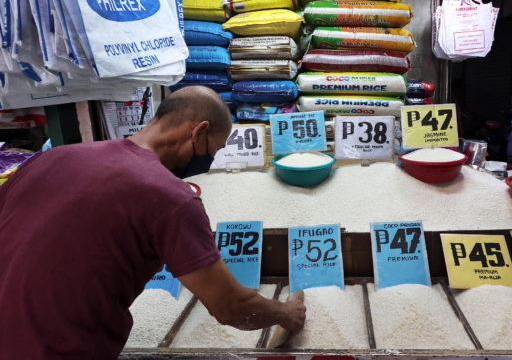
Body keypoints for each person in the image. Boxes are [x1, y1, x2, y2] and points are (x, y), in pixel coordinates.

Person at [0, 85, 305, 360]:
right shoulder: (169, 197)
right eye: (214, 149)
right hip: (61, 349)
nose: (210, 159)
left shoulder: (49, 159)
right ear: (198, 132)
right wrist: (285, 314)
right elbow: (231, 307)